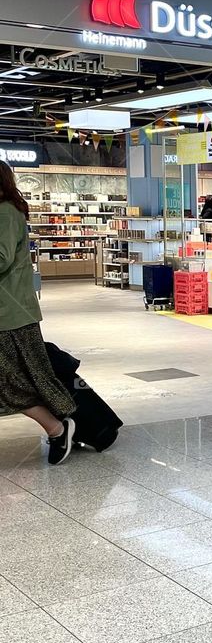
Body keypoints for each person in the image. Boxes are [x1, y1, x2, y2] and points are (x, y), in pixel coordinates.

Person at [0, 161, 76, 463]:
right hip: (10, 313)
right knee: (20, 380)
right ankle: (59, 426)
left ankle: (59, 427)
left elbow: (1, 258)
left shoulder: (5, 212)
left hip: (11, 315)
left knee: (22, 380)